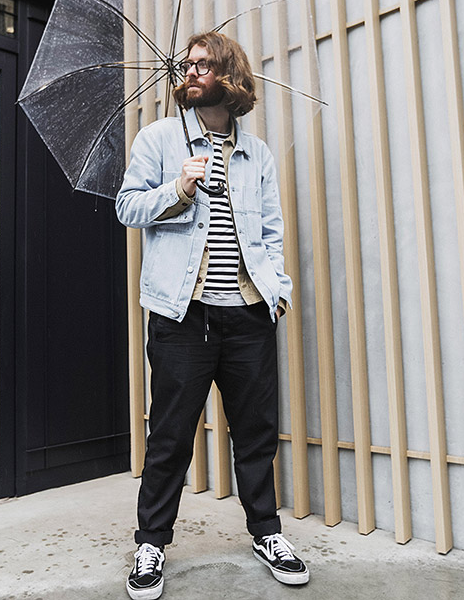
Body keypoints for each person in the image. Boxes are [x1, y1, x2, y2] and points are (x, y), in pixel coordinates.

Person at [115, 32, 308, 600]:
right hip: (183, 316)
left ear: (230, 76)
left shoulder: (257, 153)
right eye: (188, 64)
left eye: (204, 64)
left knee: (256, 434)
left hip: (248, 314)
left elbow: (270, 231)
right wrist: (178, 188)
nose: (191, 71)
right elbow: (127, 207)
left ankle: (267, 533)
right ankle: (152, 542)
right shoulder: (159, 139)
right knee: (171, 436)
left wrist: (277, 292)